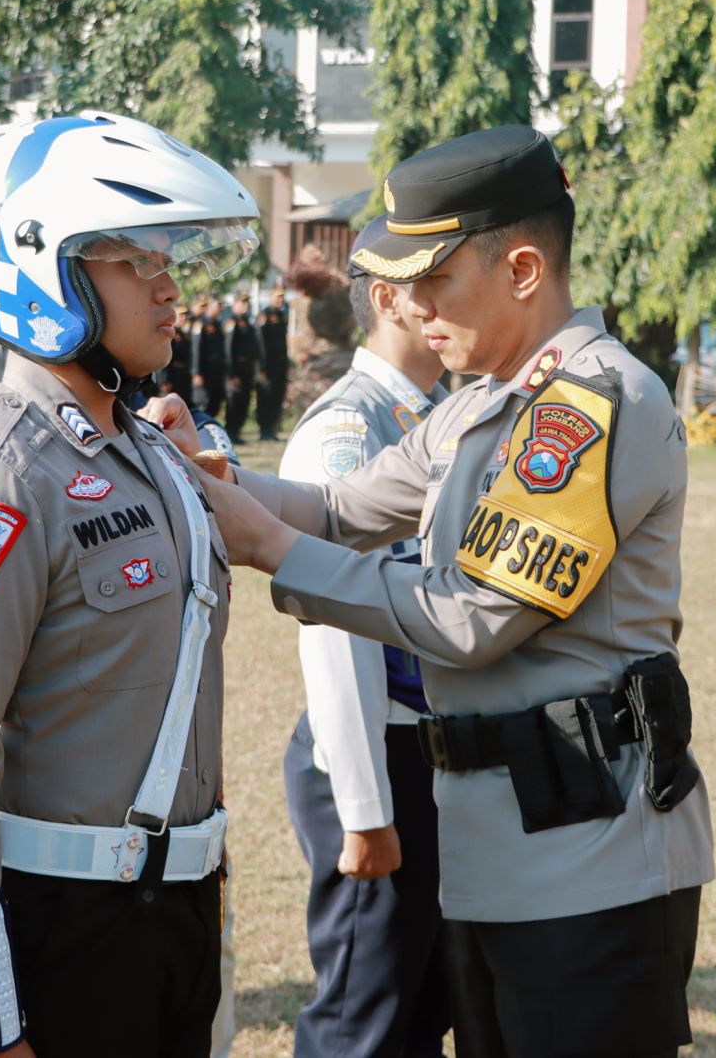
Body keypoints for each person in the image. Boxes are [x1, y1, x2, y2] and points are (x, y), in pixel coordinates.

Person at [186, 124, 714, 1058]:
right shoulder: (482, 399)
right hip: (501, 848)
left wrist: (264, 544)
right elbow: (341, 507)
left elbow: (471, 619)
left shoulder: (588, 406)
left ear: (520, 270)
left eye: (432, 280)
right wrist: (204, 474)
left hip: (585, 865)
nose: (409, 306)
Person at [0, 110, 257, 1058]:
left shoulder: (154, 451)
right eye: (139, 260)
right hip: (57, 929)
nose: (171, 287)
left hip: (174, 916)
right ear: (43, 266)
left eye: (170, 258)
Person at [279, 220, 452, 1058]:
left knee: (424, 1003)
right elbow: (333, 627)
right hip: (378, 751)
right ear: (387, 298)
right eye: (437, 280)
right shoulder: (349, 428)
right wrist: (365, 808)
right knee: (363, 1019)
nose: (457, 294)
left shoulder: (445, 414)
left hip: (436, 748)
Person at [224, 292, 259, 441]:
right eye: (242, 303)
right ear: (235, 305)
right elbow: (228, 349)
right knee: (234, 401)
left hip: (247, 369)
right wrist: (232, 374)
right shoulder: (232, 322)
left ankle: (237, 431)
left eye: (247, 303)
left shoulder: (248, 322)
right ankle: (231, 431)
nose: (245, 306)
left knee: (244, 400)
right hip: (236, 369)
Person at [257, 287, 290, 441]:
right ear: (270, 298)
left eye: (282, 297)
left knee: (277, 395)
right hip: (267, 364)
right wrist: (261, 367)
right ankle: (264, 429)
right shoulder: (265, 315)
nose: (280, 300)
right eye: (277, 297)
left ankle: (272, 428)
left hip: (280, 363)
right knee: (266, 397)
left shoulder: (282, 314)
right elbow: (260, 342)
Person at [198, 295, 227, 416]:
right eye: (218, 305)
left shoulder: (219, 324)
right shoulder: (201, 324)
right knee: (205, 401)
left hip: (218, 369)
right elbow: (197, 349)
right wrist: (197, 372)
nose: (221, 308)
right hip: (206, 369)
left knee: (216, 400)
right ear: (210, 306)